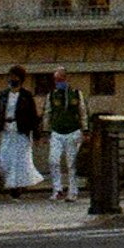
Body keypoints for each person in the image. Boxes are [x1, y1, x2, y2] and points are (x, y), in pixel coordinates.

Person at [0, 65, 45, 194]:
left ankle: (16, 187)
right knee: (5, 159)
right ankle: (12, 183)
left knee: (20, 160)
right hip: (6, 130)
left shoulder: (26, 96)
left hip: (21, 131)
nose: (12, 79)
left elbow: (33, 116)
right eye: (10, 76)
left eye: (15, 77)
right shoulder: (3, 95)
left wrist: (37, 135)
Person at [41, 67, 84, 200]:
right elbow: (47, 113)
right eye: (56, 80)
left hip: (73, 131)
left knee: (71, 163)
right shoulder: (52, 95)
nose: (58, 82)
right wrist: (45, 131)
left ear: (66, 79)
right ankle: (57, 189)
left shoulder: (76, 94)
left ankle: (73, 191)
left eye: (60, 79)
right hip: (57, 131)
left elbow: (83, 112)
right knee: (53, 160)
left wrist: (86, 130)